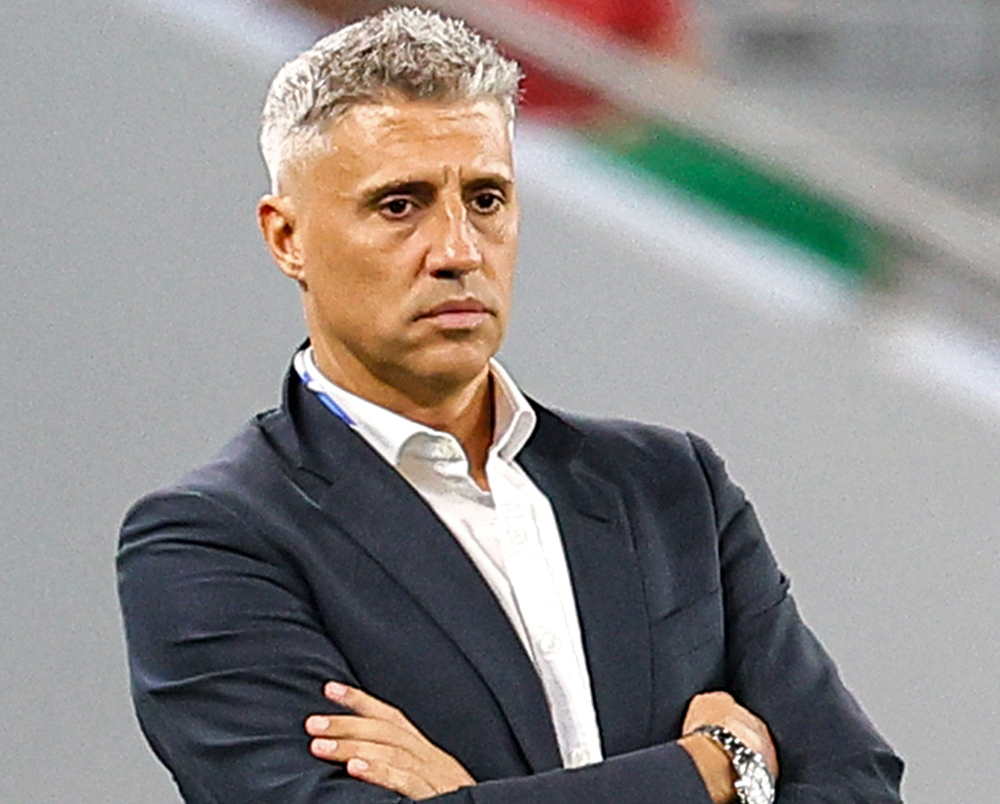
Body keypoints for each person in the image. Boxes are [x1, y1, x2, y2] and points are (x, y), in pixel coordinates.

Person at [116, 8, 904, 804]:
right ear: (287, 237)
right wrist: (711, 767)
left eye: (486, 198)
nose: (458, 250)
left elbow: (860, 787)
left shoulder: (673, 486)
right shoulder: (209, 540)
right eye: (400, 205)